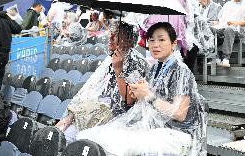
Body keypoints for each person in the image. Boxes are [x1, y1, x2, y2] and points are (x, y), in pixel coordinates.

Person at [76, 22, 206, 156]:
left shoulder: (181, 71)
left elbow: (180, 113)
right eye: (151, 40)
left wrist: (148, 95)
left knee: (115, 146)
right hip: (153, 127)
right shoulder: (155, 68)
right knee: (88, 136)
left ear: (173, 44)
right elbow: (135, 101)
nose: (156, 45)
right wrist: (138, 94)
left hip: (176, 133)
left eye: (161, 40)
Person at [55, 21, 148, 143]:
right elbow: (91, 92)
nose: (110, 38)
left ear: (128, 40)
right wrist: (69, 117)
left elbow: (129, 101)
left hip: (116, 122)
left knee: (74, 141)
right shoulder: (111, 59)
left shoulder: (137, 62)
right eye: (111, 33)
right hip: (94, 114)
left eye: (116, 35)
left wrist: (118, 69)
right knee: (60, 135)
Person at [0, 3, 22, 89]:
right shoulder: (4, 18)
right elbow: (18, 29)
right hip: (2, 61)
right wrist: (6, 16)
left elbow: (17, 29)